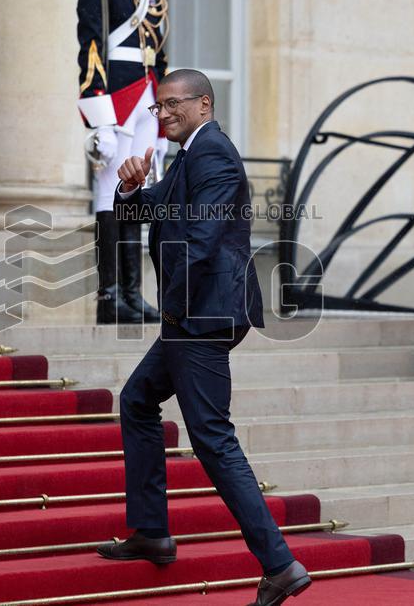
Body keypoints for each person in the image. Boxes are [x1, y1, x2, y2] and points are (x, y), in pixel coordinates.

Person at [99, 69, 311, 606]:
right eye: (158, 106)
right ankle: (152, 531)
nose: (163, 113)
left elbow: (200, 238)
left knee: (213, 440)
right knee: (139, 400)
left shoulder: (213, 153)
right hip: (193, 314)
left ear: (204, 104)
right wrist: (129, 187)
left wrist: (170, 308)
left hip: (201, 316)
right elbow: (148, 213)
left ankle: (280, 564)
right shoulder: (190, 153)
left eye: (173, 104)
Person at [77, 0, 167, 324]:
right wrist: (99, 116)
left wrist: (166, 115)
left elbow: (160, 55)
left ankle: (132, 294)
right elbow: (92, 49)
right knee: (109, 193)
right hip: (116, 98)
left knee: (136, 191)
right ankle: (109, 296)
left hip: (148, 96)